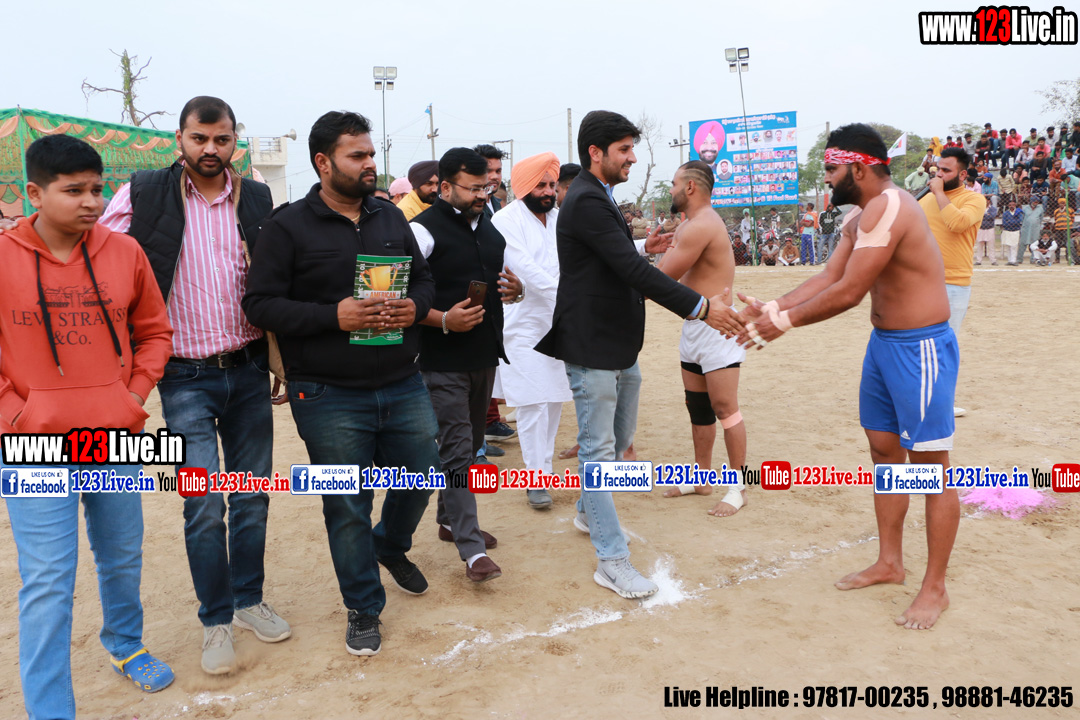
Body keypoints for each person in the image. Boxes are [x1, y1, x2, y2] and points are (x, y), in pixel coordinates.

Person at [738, 123, 960, 630]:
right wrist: (773, 306)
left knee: (932, 469)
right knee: (884, 451)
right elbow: (828, 276)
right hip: (884, 347)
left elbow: (850, 292)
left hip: (920, 349)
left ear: (858, 168)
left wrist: (782, 324)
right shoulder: (862, 215)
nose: (826, 178)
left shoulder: (892, 206)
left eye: (831, 169)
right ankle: (890, 562)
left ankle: (935, 587)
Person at [98, 96, 285, 675]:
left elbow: (276, 276)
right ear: (179, 139)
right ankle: (216, 619)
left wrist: (281, 356)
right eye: (199, 138)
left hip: (248, 368)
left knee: (251, 495)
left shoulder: (256, 196)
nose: (210, 149)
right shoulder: (143, 192)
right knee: (203, 503)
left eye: (221, 139)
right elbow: (99, 256)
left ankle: (248, 600)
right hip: (182, 375)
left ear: (234, 142)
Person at [243, 111, 439, 656]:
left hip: (402, 379)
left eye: (371, 153)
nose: (370, 163)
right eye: (358, 156)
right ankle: (363, 607)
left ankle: (390, 543)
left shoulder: (389, 216)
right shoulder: (286, 226)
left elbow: (423, 279)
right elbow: (259, 304)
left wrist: (414, 306)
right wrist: (335, 316)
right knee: (347, 503)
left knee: (423, 471)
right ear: (323, 162)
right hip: (327, 393)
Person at [1, 135, 175, 718]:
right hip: (33, 446)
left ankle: (126, 645)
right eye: (73, 190)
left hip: (114, 436)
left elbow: (154, 332)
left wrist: (132, 397)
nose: (91, 202)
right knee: (49, 578)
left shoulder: (125, 252)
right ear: (34, 193)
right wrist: (16, 413)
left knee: (122, 553)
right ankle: (50, 709)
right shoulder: (3, 258)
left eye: (97, 189)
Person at [535, 110, 740, 599]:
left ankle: (587, 512)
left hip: (618, 344)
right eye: (624, 150)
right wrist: (701, 307)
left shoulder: (599, 195)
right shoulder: (587, 198)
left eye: (632, 148)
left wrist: (644, 246)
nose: (632, 158)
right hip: (592, 343)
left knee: (621, 436)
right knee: (598, 451)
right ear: (596, 153)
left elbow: (617, 259)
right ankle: (612, 560)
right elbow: (632, 271)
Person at [409, 147, 522, 582]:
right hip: (440, 360)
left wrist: (514, 290)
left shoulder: (488, 225)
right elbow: (393, 299)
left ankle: (448, 520)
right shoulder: (421, 231)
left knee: (470, 445)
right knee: (457, 451)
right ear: (444, 186)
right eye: (474, 188)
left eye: (487, 188)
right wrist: (443, 319)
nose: (482, 195)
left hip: (483, 355)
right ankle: (472, 551)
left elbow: (497, 279)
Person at [656, 161, 748, 515]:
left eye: (674, 183)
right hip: (695, 323)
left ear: (690, 187)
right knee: (697, 407)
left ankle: (739, 488)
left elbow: (661, 280)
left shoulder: (702, 225)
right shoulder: (690, 225)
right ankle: (701, 478)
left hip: (717, 328)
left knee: (726, 409)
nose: (671, 190)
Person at [491, 152, 572, 509]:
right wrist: (572, 298)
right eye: (541, 184)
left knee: (553, 399)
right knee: (531, 402)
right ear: (524, 186)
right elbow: (525, 269)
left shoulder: (560, 219)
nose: (549, 191)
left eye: (552, 185)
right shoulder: (505, 220)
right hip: (521, 324)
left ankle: (544, 471)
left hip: (559, 323)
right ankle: (534, 477)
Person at [922, 146, 986, 418]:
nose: (938, 174)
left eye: (946, 170)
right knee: (915, 344)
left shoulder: (974, 200)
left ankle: (942, 404)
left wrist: (938, 193)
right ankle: (917, 399)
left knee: (943, 348)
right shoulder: (924, 200)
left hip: (953, 284)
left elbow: (957, 224)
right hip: (919, 283)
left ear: (962, 175)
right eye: (937, 169)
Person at [473, 144, 506, 217]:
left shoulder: (498, 204)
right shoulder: (471, 205)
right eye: (488, 171)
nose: (495, 177)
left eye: (498, 171)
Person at [1018, 196, 1044, 265]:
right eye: (1034, 202)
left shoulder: (1040, 208)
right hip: (1025, 228)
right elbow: (1022, 218)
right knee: (1022, 244)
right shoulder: (1025, 208)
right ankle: (1019, 259)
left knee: (1034, 244)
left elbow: (1041, 218)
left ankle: (1033, 259)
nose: (1036, 203)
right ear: (1031, 202)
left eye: (1037, 202)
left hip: (1035, 229)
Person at [1000, 199, 1024, 265]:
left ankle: (1013, 260)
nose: (1011, 206)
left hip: (1015, 231)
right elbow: (1004, 223)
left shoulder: (1018, 212)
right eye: (1010, 205)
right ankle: (1009, 260)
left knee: (1014, 246)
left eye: (1013, 205)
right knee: (1008, 246)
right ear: (1008, 206)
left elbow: (1019, 221)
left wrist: (1010, 222)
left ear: (1015, 205)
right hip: (1007, 231)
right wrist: (1013, 222)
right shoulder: (1005, 213)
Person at [974, 201, 998, 266]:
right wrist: (987, 215)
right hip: (981, 228)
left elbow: (992, 217)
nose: (985, 202)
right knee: (980, 245)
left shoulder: (993, 209)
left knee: (991, 245)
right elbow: (977, 216)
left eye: (987, 201)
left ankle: (993, 260)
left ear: (989, 201)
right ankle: (978, 260)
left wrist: (983, 215)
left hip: (990, 229)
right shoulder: (979, 208)